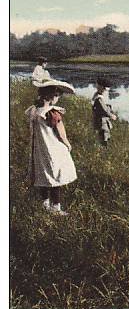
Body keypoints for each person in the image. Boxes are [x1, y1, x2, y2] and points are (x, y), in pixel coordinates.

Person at [25, 79, 77, 216]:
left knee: (43, 175)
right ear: (51, 96)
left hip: (39, 149)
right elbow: (61, 133)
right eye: (57, 95)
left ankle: (45, 204)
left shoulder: (34, 110)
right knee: (56, 176)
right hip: (53, 148)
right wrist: (67, 144)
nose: (58, 98)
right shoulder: (52, 112)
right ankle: (56, 208)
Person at [92, 77, 117, 146]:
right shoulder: (99, 98)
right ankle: (104, 150)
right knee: (104, 138)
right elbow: (104, 110)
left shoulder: (98, 96)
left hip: (104, 122)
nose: (107, 91)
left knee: (105, 136)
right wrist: (112, 115)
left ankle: (104, 148)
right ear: (102, 87)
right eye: (106, 89)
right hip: (102, 122)